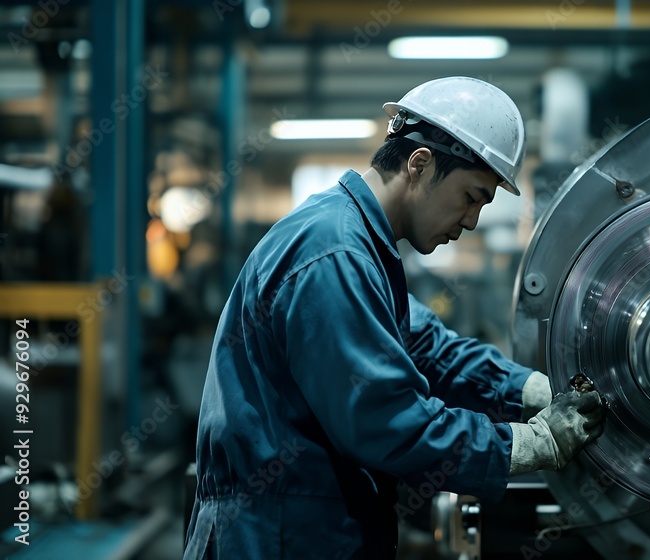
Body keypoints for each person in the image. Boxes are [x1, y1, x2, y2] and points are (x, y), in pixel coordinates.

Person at [183, 77, 605, 560]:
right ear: (419, 164)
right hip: (277, 536)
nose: (471, 221)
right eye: (471, 197)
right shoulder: (334, 251)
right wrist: (525, 445)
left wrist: (537, 391)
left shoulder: (359, 244)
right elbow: (385, 418)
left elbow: (430, 350)